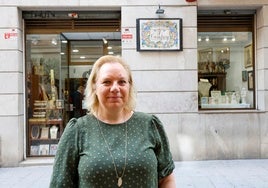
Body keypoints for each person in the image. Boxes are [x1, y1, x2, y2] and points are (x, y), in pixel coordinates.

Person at [49, 55, 176, 187]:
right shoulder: (77, 130)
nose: (115, 88)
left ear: (129, 87)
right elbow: (60, 184)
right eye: (107, 82)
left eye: (122, 82)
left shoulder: (150, 125)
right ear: (94, 87)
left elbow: (166, 179)